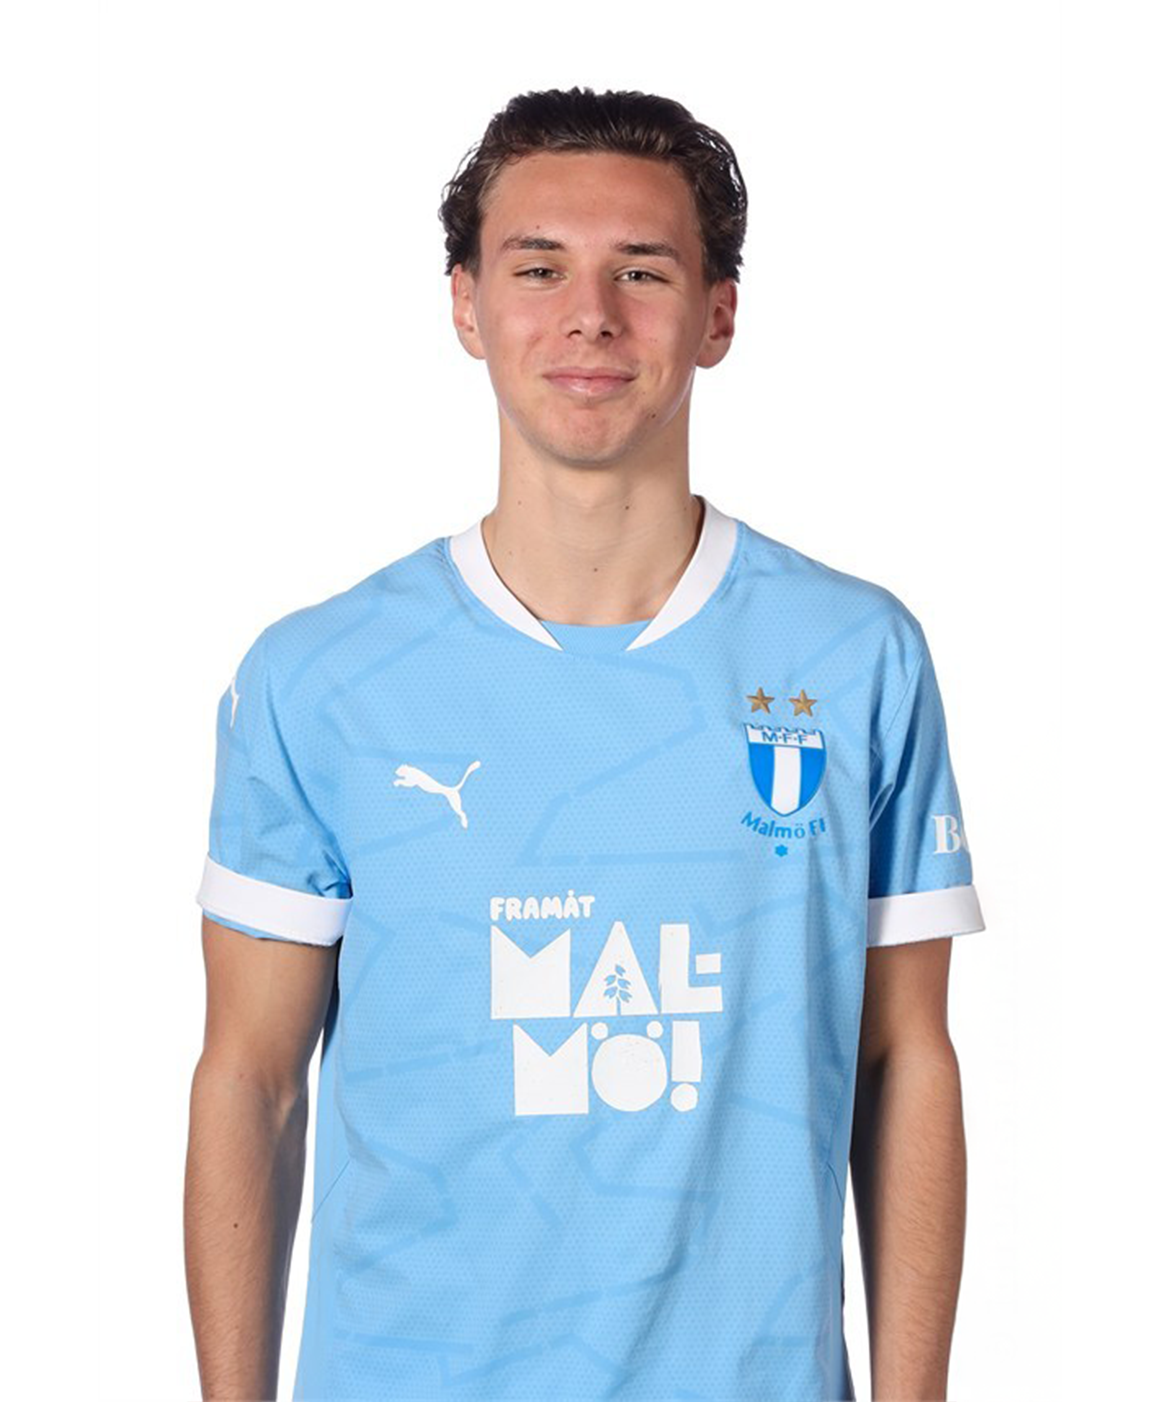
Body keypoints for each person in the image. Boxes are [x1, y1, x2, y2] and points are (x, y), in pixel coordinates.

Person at [185, 85, 985, 1402]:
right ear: (466, 305)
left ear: (718, 315)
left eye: (644, 271)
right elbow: (252, 1081)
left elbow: (906, 1061)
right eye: (539, 267)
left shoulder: (855, 658)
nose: (591, 316)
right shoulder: (321, 678)